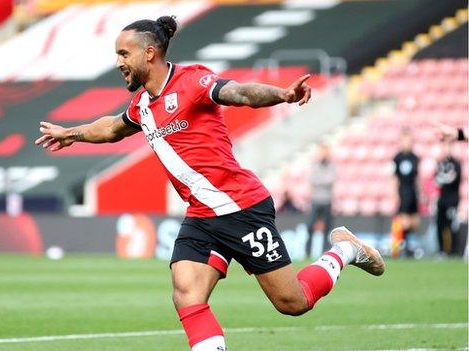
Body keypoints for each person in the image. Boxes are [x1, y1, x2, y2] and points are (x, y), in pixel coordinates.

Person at [35, 16, 384, 350]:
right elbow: (111, 128)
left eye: (124, 54)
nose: (118, 62)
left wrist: (282, 95)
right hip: (202, 216)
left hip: (241, 207)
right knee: (186, 293)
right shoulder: (142, 104)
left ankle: (345, 250)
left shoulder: (192, 81)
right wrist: (72, 134)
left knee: (292, 302)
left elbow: (242, 94)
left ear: (149, 53)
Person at [391, 132, 420, 257]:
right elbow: (394, 178)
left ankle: (408, 245)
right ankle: (399, 247)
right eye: (405, 140)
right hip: (403, 190)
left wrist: (421, 192)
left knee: (414, 222)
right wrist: (395, 194)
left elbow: (417, 177)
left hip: (413, 190)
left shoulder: (415, 157)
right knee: (403, 220)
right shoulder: (397, 158)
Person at [307, 144, 335, 256]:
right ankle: (307, 251)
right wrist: (323, 179)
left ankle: (326, 251)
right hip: (316, 200)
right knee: (310, 226)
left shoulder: (332, 166)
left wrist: (321, 179)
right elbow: (313, 180)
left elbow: (331, 180)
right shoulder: (315, 165)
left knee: (327, 228)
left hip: (327, 200)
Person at [435, 141, 461, 255]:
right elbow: (436, 180)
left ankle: (454, 251)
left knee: (451, 226)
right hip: (442, 200)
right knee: (440, 225)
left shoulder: (456, 163)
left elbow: (454, 179)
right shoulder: (440, 163)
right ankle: (442, 251)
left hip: (452, 200)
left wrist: (443, 179)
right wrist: (445, 178)